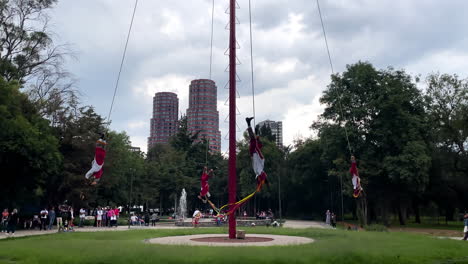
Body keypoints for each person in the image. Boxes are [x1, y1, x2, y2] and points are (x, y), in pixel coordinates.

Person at [245, 117, 268, 190]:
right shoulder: (260, 170)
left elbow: (261, 178)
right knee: (259, 143)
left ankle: (248, 122)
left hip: (253, 152)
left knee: (254, 140)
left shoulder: (258, 171)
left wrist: (259, 186)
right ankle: (255, 130)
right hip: (256, 153)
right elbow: (264, 178)